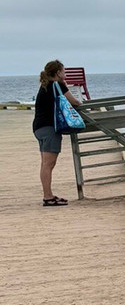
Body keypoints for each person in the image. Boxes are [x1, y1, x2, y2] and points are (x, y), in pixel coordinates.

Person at [32, 60, 82, 207]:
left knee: (45, 164)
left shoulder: (45, 86)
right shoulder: (57, 85)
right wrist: (65, 85)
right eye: (63, 71)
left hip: (39, 127)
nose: (65, 74)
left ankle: (49, 195)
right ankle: (47, 197)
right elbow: (75, 102)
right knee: (49, 164)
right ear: (58, 73)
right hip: (48, 128)